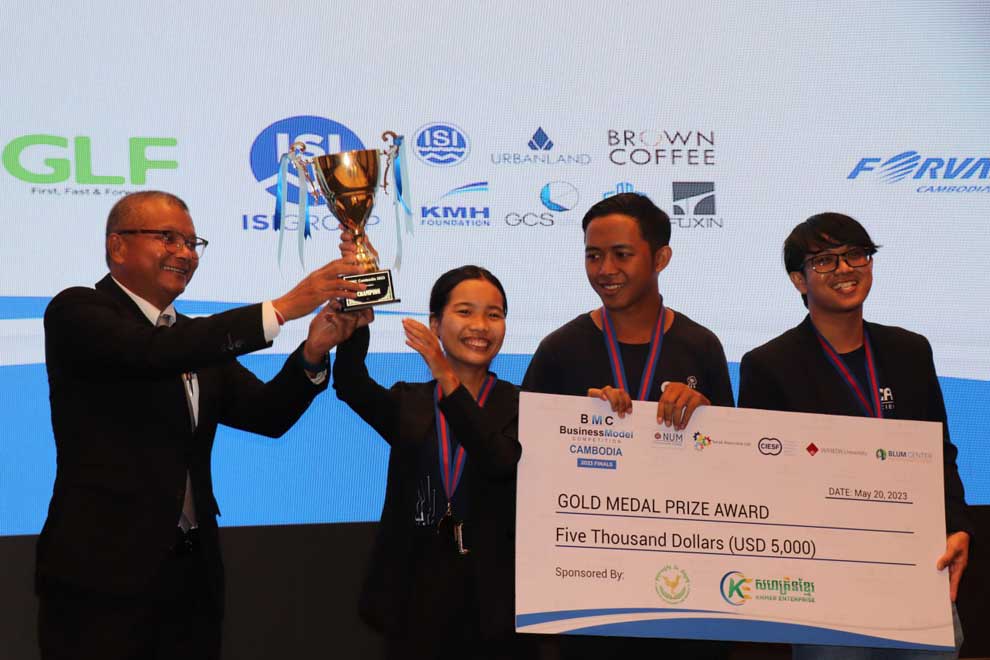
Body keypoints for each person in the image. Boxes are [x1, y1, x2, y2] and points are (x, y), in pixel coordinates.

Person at [36, 190, 369, 660]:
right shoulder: (77, 311)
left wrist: (314, 351)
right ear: (117, 246)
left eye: (192, 243)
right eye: (167, 238)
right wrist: (284, 307)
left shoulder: (192, 337)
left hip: (191, 579)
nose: (185, 253)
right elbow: (148, 353)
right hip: (101, 579)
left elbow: (268, 414)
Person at [738, 212, 971, 659]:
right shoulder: (769, 365)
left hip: (916, 563)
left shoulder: (910, 350)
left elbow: (940, 452)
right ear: (799, 280)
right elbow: (762, 480)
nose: (844, 269)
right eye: (824, 260)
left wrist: (959, 527)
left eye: (855, 255)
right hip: (825, 576)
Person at [521, 192, 733, 658]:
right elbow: (526, 466)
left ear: (661, 258)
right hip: (592, 581)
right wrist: (575, 428)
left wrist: (707, 417)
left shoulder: (701, 346)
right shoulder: (559, 350)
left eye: (621, 254)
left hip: (687, 581)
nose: (605, 270)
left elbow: (733, 470)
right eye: (593, 256)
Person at [332, 265, 534, 660]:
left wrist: (444, 373)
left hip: (494, 601)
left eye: (494, 314)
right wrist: (360, 294)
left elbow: (497, 460)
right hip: (414, 593)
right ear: (435, 323)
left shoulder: (521, 404)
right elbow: (351, 383)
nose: (480, 326)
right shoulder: (410, 402)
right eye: (465, 311)